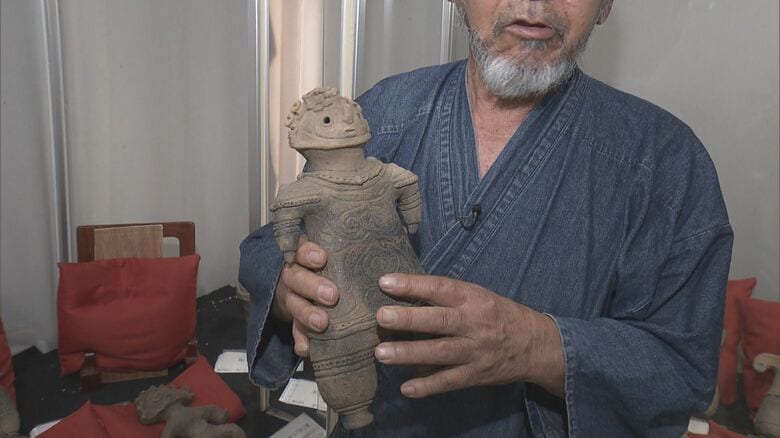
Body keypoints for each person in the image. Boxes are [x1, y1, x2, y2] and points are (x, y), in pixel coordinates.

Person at [240, 0, 734, 436]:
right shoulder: (384, 113)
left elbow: (683, 370)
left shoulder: (664, 162)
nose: (535, 5)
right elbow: (267, 246)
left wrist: (539, 347)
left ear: (605, 5)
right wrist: (290, 289)